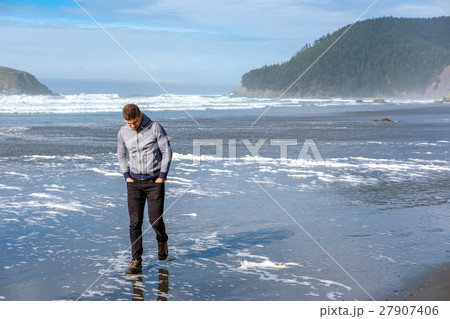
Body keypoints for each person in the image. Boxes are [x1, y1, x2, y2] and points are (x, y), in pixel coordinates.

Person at [117, 104, 172, 274]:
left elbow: (167, 152)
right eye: (129, 123)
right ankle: (136, 260)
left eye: (134, 122)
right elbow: (121, 155)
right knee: (135, 223)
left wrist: (162, 176)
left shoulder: (155, 128)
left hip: (154, 181)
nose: (132, 126)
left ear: (140, 115)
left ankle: (162, 240)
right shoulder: (122, 132)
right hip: (133, 182)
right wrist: (126, 174)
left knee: (155, 220)